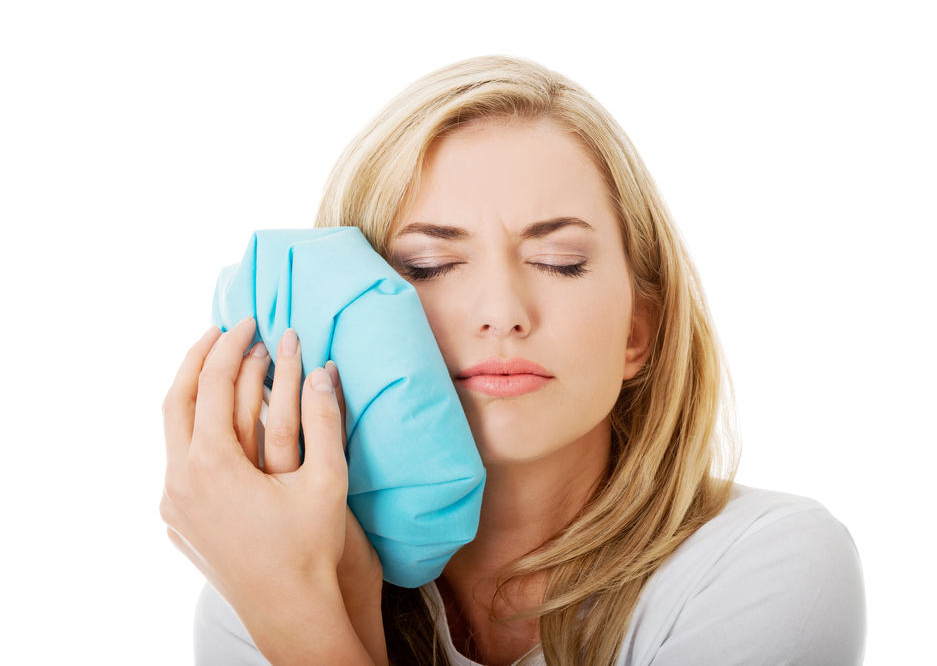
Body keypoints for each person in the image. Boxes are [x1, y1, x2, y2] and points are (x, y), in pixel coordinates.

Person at [160, 55, 866, 665]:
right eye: (430, 264)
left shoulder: (771, 564)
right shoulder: (248, 579)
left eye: (558, 262)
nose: (503, 309)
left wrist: (294, 610)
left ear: (637, 334)